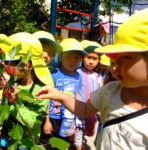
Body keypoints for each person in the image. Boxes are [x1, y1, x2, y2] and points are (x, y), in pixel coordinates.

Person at [36, 8, 148, 150]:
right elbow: (83, 109)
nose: (116, 64)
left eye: (126, 56)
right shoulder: (110, 90)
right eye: (116, 57)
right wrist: (59, 95)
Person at [0, 32, 53, 149]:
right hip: (5, 138)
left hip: (25, 144)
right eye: (6, 62)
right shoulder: (10, 82)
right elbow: (3, 112)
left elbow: (32, 123)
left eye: (12, 62)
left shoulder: (41, 91)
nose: (7, 66)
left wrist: (17, 101)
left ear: (26, 65)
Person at [39, 38, 87, 150]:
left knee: (61, 144)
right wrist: (46, 120)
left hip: (68, 119)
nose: (73, 60)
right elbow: (46, 99)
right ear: (60, 57)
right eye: (68, 56)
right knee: (47, 145)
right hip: (52, 117)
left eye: (76, 57)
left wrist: (78, 117)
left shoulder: (78, 76)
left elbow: (77, 96)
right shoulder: (53, 73)